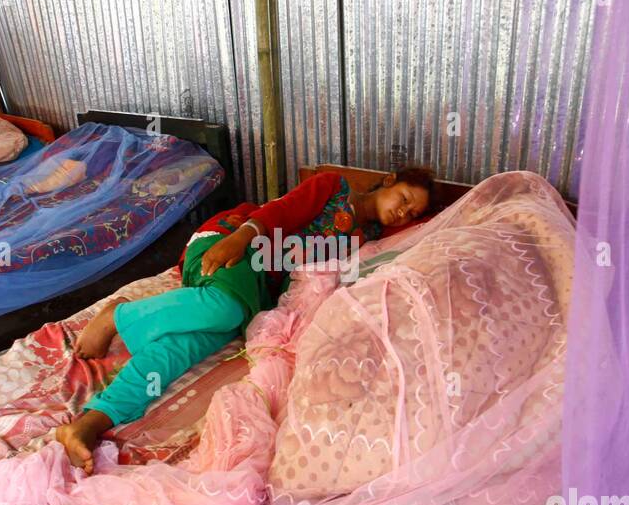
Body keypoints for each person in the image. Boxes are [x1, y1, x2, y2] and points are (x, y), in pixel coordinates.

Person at [54, 165, 436, 468]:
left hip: (257, 290)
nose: (403, 211)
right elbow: (282, 210)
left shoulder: (365, 238)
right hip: (235, 244)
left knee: (181, 348)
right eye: (404, 197)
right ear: (387, 180)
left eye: (411, 212)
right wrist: (241, 236)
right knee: (224, 307)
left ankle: (92, 421)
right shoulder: (333, 187)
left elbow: (429, 233)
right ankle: (119, 317)